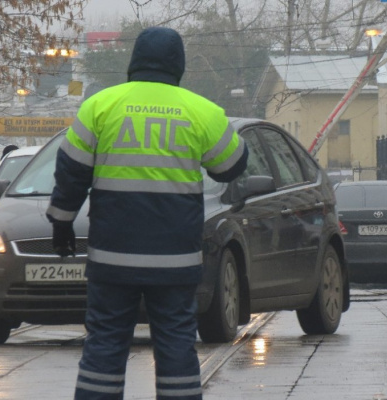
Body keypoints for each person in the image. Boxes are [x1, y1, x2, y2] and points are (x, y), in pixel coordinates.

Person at [46, 26, 248, 400]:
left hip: (112, 256)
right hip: (175, 258)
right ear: (179, 65)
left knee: (105, 343)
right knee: (175, 347)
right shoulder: (199, 110)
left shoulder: (100, 106)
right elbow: (232, 165)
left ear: (134, 61)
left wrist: (61, 219)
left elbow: (71, 171)